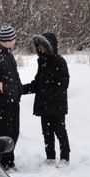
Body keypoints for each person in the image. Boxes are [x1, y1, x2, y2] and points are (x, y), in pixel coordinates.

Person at [22, 32, 70, 167]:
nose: (40, 48)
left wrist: (48, 94)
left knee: (60, 131)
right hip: (44, 104)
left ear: (50, 46)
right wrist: (21, 89)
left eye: (43, 45)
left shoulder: (59, 61)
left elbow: (63, 84)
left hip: (56, 105)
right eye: (39, 46)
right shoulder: (42, 61)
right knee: (46, 132)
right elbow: (37, 83)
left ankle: (65, 157)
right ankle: (50, 156)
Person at [0, 25, 22, 171]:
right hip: (4, 102)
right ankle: (3, 161)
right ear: (8, 39)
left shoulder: (9, 55)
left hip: (14, 100)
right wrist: (5, 90)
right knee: (5, 132)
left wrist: (19, 90)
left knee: (14, 131)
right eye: (14, 38)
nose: (15, 40)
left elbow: (14, 77)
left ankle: (10, 159)